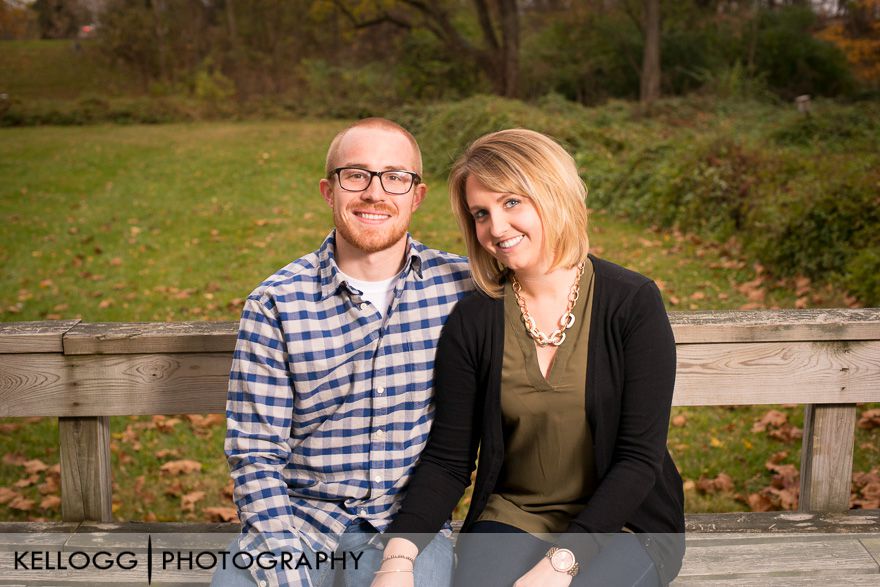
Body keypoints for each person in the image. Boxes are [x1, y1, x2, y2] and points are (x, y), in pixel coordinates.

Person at [375, 129, 685, 587]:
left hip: (625, 523)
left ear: (552, 194)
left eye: (512, 202)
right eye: (481, 213)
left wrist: (560, 565)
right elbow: (448, 459)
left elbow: (639, 460)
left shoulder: (631, 302)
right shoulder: (476, 319)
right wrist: (397, 559)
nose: (496, 228)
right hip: (516, 515)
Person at [213, 118, 473, 587]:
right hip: (296, 520)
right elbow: (255, 454)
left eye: (395, 177)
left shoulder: (462, 289)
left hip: (408, 527)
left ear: (416, 195)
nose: (375, 193)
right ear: (328, 191)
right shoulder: (277, 303)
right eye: (356, 175)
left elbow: (547, 268)